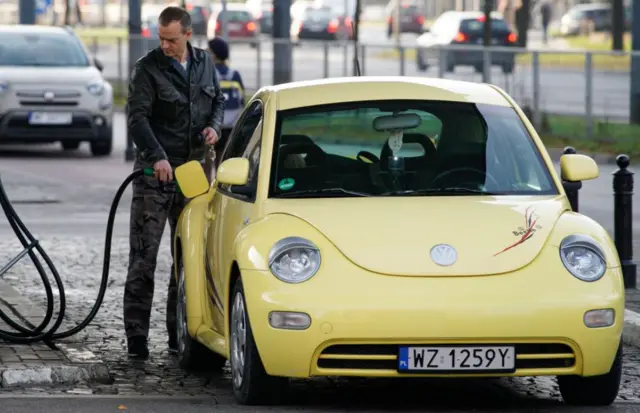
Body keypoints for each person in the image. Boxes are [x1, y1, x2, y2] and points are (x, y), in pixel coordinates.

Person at [124, 5, 225, 359]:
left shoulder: (204, 63)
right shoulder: (147, 69)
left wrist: (214, 125)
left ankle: (178, 332)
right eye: (160, 38)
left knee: (187, 260)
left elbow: (218, 99)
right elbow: (137, 119)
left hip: (193, 175)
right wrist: (157, 156)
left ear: (187, 34)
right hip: (156, 176)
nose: (164, 45)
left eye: (170, 39)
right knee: (144, 258)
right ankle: (136, 339)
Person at [208, 36, 245, 167]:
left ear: (214, 54)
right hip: (231, 125)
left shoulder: (208, 73)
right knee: (224, 160)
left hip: (212, 126)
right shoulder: (234, 74)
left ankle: (207, 185)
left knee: (208, 160)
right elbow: (242, 100)